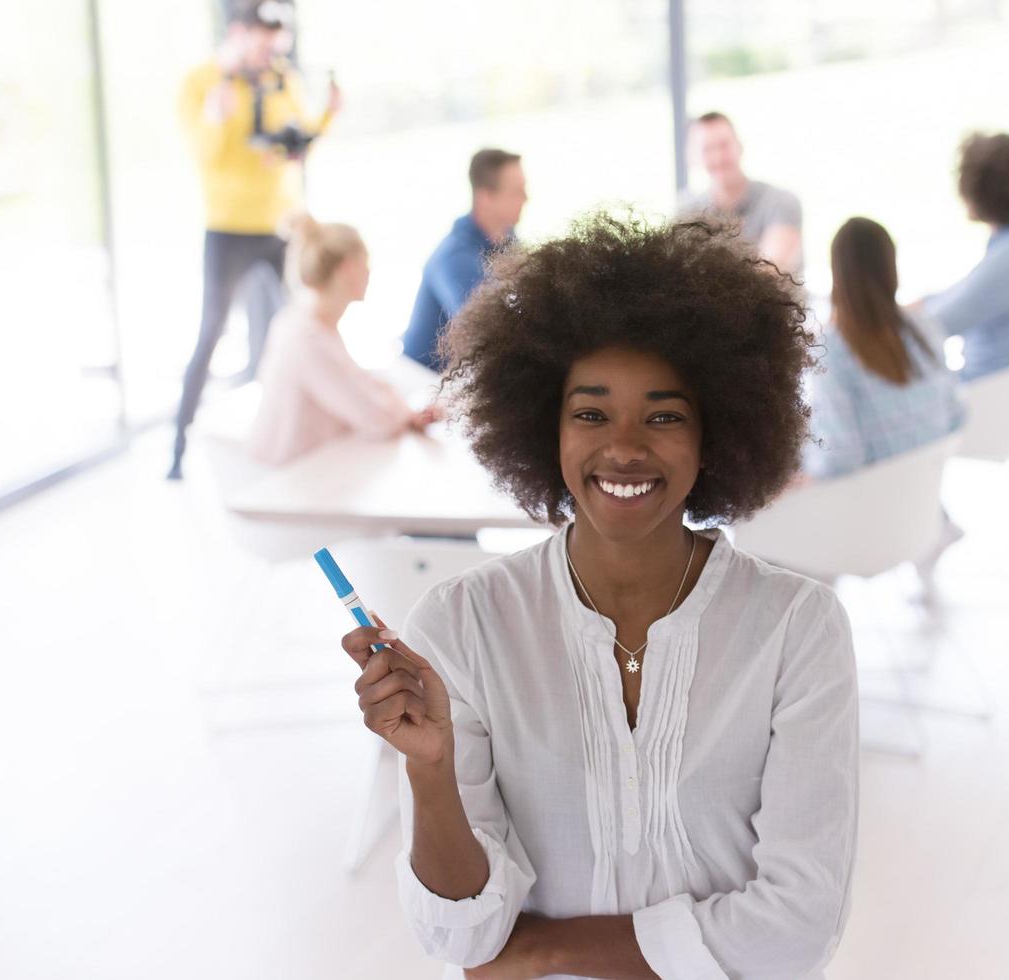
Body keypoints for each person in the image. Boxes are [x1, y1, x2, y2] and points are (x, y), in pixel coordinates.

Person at [341, 213, 858, 978]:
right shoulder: (461, 625)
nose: (623, 446)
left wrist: (547, 949)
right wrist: (428, 766)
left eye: (663, 415)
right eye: (590, 413)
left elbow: (796, 928)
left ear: (716, 432)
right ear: (542, 428)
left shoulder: (797, 628)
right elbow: (463, 941)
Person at [168, 0, 343, 480]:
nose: (270, 50)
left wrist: (324, 118)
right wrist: (216, 118)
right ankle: (178, 448)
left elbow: (295, 142)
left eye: (276, 41)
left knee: (298, 329)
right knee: (212, 331)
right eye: (263, 40)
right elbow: (205, 156)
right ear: (239, 32)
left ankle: (296, 436)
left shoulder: (283, 76)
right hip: (228, 226)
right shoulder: (202, 82)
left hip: (280, 223)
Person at [246, 215, 437, 466]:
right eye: (366, 263)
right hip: (292, 482)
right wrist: (405, 414)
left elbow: (355, 382)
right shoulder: (308, 340)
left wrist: (399, 408)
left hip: (299, 470)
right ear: (349, 267)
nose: (370, 273)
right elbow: (376, 418)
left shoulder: (300, 320)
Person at [805, 217, 965, 481]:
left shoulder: (830, 349)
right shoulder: (924, 326)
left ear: (838, 274)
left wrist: (803, 464)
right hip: (925, 502)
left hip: (872, 507)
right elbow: (956, 415)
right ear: (891, 267)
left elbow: (841, 458)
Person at [920, 132, 1009, 383]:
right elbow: (964, 293)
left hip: (983, 399)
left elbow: (933, 326)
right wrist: (911, 306)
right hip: (999, 394)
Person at [401, 149, 528, 372]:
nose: (526, 198)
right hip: (429, 377)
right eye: (516, 192)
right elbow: (485, 329)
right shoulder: (454, 257)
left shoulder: (507, 239)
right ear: (485, 197)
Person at [679, 111, 804, 279]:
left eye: (724, 145)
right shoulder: (687, 212)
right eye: (707, 149)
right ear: (692, 157)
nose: (718, 157)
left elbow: (770, 273)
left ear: (740, 146)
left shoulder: (781, 202)